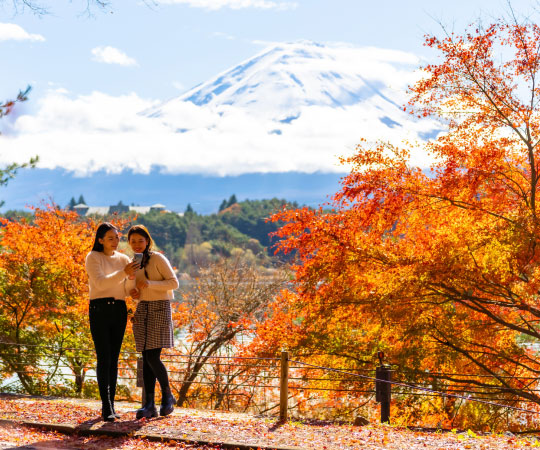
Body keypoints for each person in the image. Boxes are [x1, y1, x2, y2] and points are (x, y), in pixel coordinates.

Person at [85, 222, 139, 422]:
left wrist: (132, 283)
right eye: (110, 238)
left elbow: (123, 289)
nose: (116, 241)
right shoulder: (93, 257)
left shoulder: (123, 259)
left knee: (114, 359)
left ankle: (112, 406)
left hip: (118, 308)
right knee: (104, 358)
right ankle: (105, 406)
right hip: (99, 309)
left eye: (117, 237)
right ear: (100, 240)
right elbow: (100, 283)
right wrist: (124, 273)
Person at [127, 225, 179, 419]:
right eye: (133, 241)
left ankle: (167, 395)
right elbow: (138, 290)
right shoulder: (135, 262)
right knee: (146, 357)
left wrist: (151, 284)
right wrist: (134, 293)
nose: (137, 244)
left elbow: (174, 283)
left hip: (159, 308)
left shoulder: (157, 258)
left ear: (147, 241)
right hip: (143, 309)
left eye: (140, 240)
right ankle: (149, 405)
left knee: (152, 357)